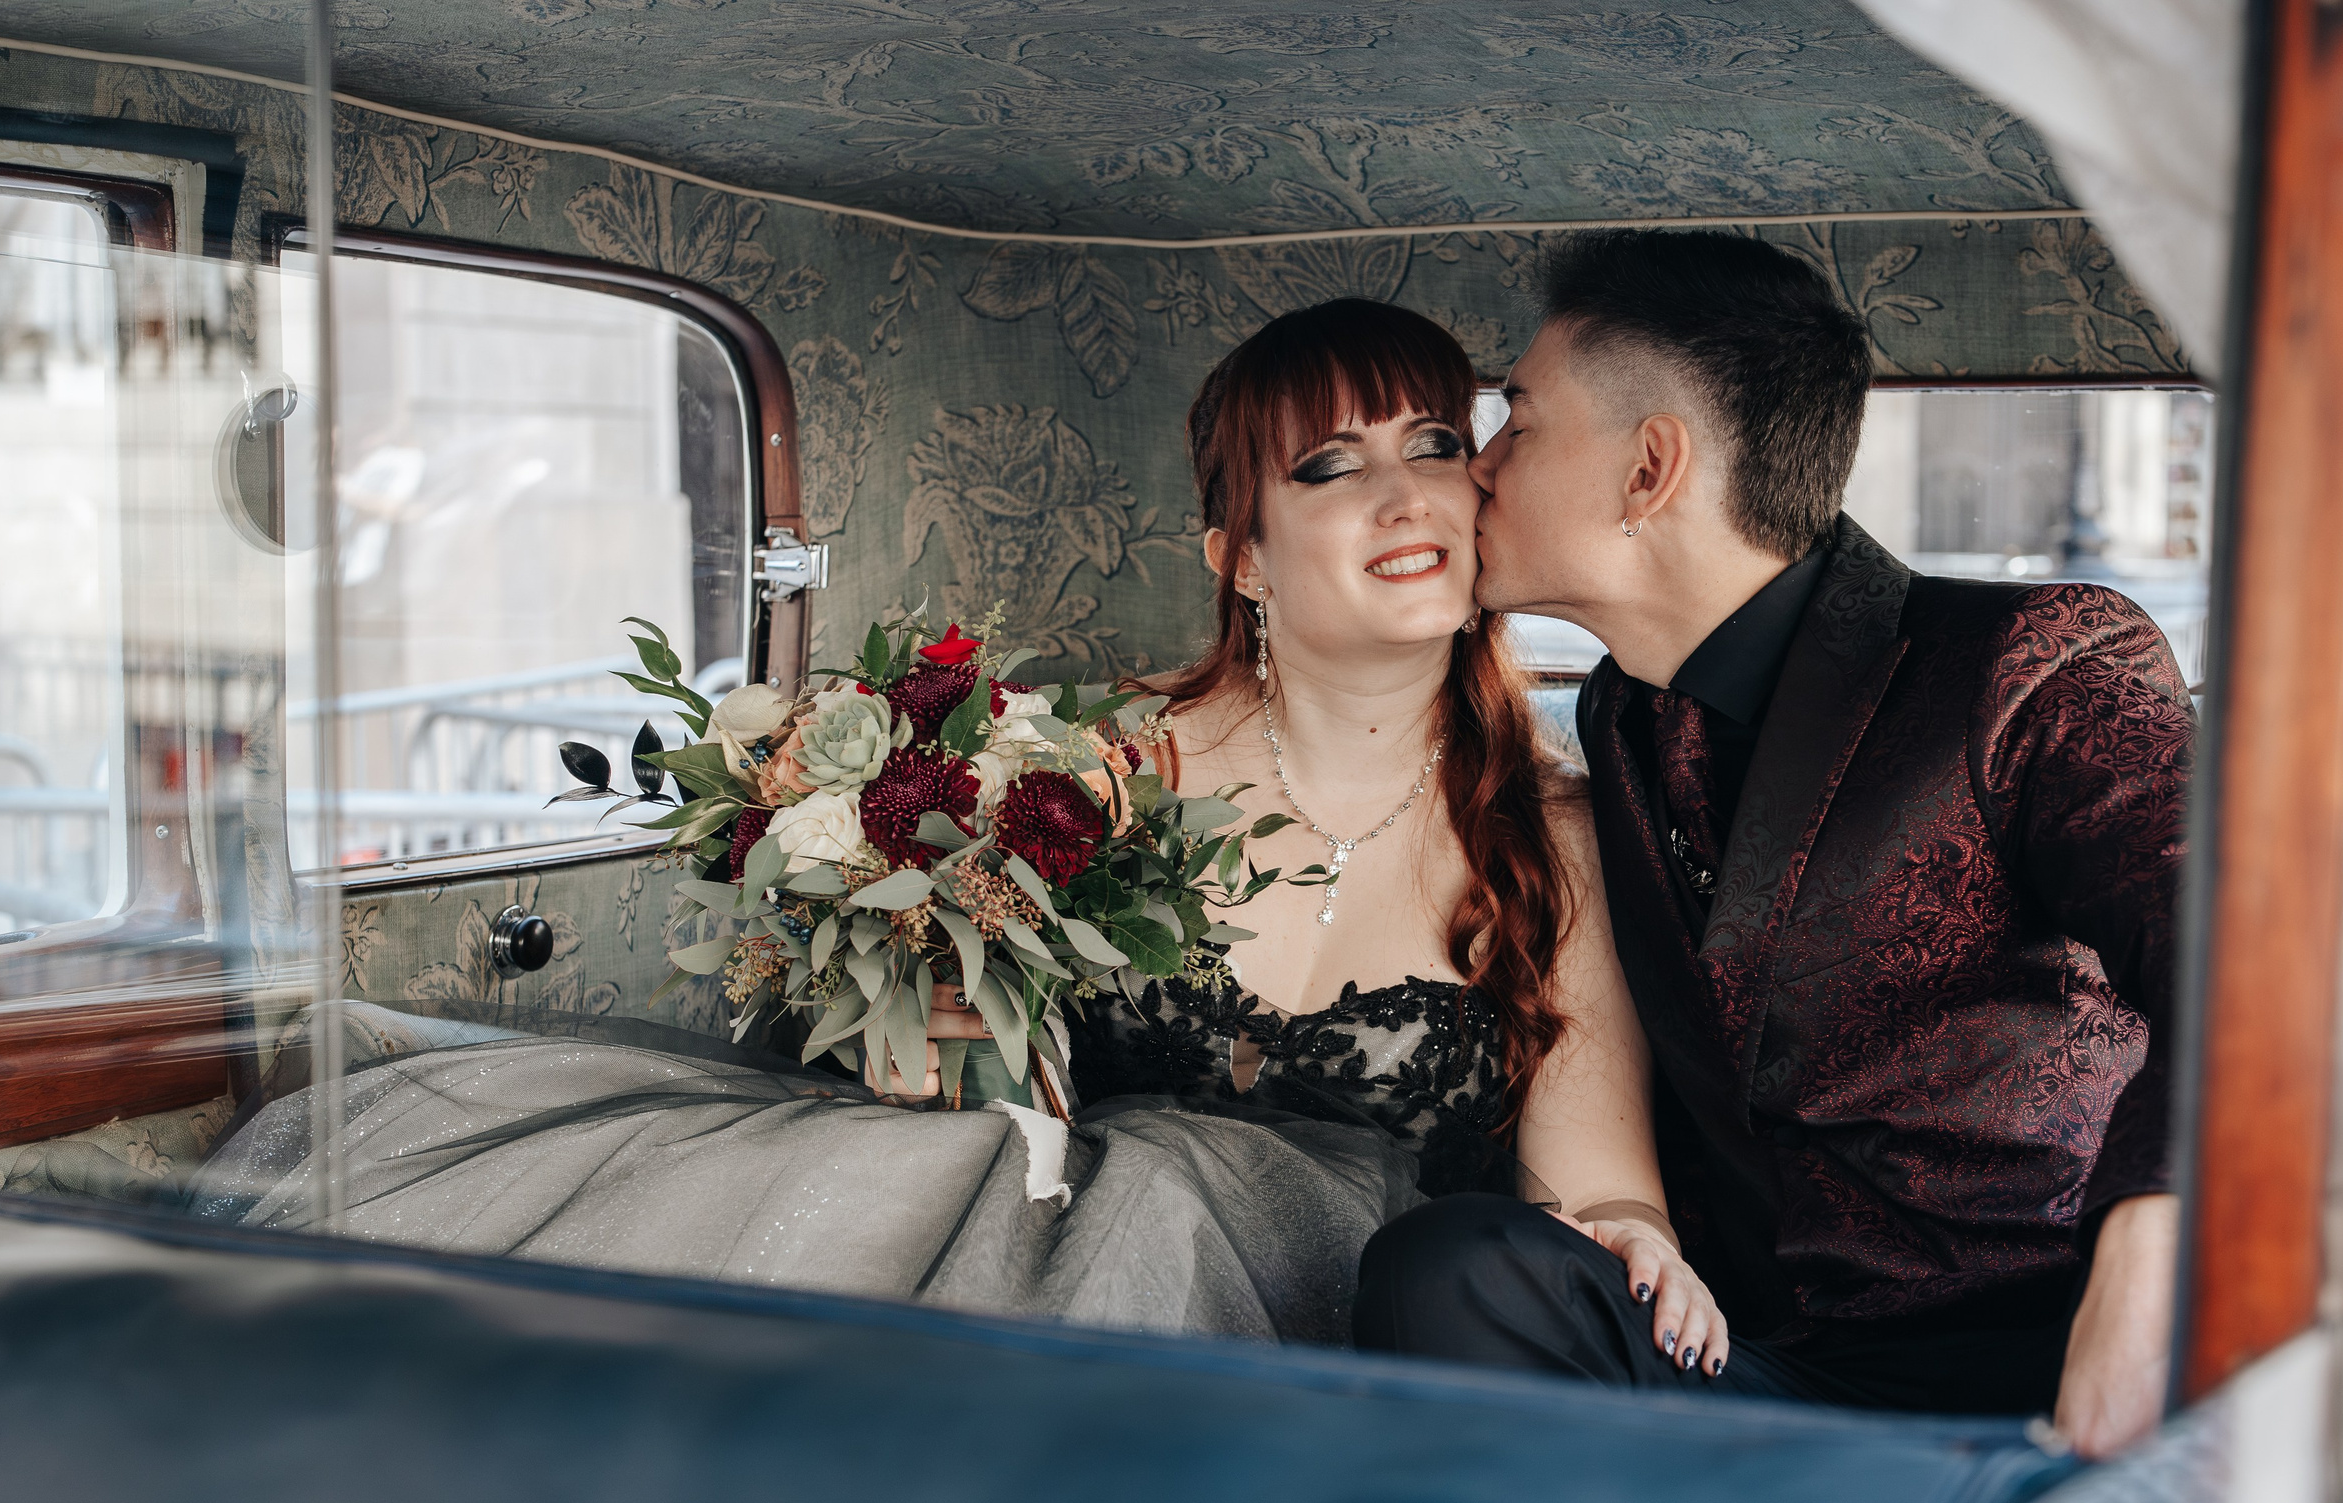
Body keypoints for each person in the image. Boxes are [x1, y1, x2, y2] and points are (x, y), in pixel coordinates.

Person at [191, 299, 1726, 1363]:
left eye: (1434, 444)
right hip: (1023, 1264)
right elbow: (940, 1049)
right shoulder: (1087, 762)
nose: (1406, 492)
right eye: (1330, 465)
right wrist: (928, 1015)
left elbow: (1594, 1177)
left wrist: (1632, 1238)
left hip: (1320, 1339)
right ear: (1242, 559)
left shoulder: (1560, 838)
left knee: (1178, 1213)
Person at [1353, 231, 2189, 1460]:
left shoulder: (2030, 663)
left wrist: (2149, 1244)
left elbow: (2264, 943)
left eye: (1515, 423)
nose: (1475, 470)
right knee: (1455, 1266)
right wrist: (1628, 1224)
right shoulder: (1620, 713)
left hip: (2029, 1374)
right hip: (1757, 1369)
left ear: (1650, 467)